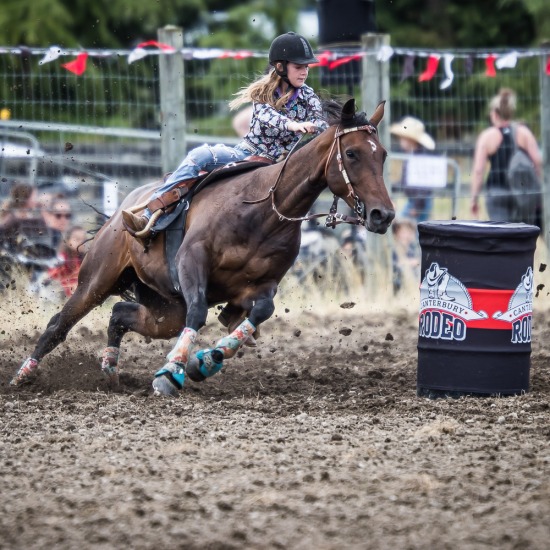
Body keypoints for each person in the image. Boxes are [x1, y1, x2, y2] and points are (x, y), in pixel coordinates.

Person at [122, 31, 328, 237]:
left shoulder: (308, 95)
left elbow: (321, 120)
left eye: (306, 67)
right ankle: (151, 211)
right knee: (199, 156)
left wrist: (315, 125)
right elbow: (267, 116)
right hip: (247, 155)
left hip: (281, 164)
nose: (304, 72)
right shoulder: (263, 94)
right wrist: (293, 125)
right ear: (281, 67)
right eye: (299, 67)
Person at [471, 87, 542, 225]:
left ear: (495, 114)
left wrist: (474, 198)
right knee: (521, 235)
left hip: (496, 192)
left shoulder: (487, 137)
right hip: (522, 192)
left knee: (502, 237)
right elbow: (538, 162)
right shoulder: (524, 133)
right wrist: (538, 189)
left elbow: (478, 171)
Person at [390, 116, 436, 223]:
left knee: (407, 225)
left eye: (403, 138)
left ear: (411, 140)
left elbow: (424, 184)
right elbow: (406, 181)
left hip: (419, 201)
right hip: (415, 200)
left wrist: (417, 206)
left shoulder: (419, 159)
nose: (400, 141)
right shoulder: (411, 156)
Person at [41, 225, 89, 300]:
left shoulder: (87, 259)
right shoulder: (62, 258)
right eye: (77, 239)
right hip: (64, 295)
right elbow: (49, 277)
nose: (81, 242)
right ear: (68, 240)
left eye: (84, 239)